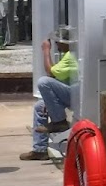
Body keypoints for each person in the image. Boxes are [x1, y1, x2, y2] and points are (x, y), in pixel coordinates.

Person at [21, 26, 78, 161]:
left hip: (77, 95)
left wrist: (46, 51)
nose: (56, 44)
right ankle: (40, 149)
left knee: (43, 82)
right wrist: (50, 102)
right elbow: (57, 77)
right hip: (73, 92)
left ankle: (59, 121)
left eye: (58, 42)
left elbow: (50, 72)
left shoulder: (70, 56)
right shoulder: (68, 55)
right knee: (40, 107)